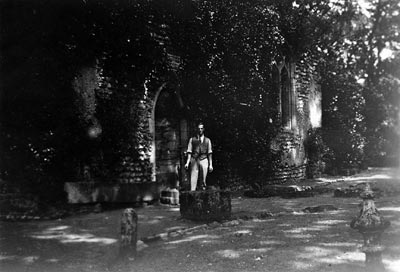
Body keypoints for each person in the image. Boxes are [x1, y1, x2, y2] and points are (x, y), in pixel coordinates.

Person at [184, 122, 213, 191]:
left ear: (204, 129)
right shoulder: (192, 139)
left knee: (203, 179)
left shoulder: (207, 140)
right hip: (194, 159)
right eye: (199, 128)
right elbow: (189, 151)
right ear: (196, 129)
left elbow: (209, 153)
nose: (200, 130)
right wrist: (187, 163)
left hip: (204, 159)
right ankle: (193, 194)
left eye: (201, 128)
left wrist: (210, 165)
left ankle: (202, 194)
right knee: (193, 179)